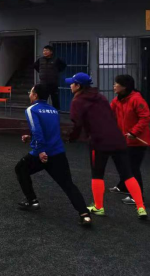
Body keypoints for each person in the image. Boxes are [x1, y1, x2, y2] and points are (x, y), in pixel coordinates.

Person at [67, 72, 147, 219]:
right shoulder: (101, 97)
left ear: (78, 86)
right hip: (117, 138)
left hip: (98, 141)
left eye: (72, 83)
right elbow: (111, 116)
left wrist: (71, 138)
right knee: (128, 173)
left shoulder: (77, 101)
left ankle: (99, 207)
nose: (70, 85)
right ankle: (141, 207)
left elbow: (76, 124)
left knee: (97, 174)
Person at [15, 84, 92, 225]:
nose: (29, 94)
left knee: (20, 168)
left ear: (35, 95)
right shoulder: (54, 111)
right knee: (68, 184)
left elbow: (37, 130)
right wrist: (30, 138)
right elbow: (49, 132)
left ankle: (32, 200)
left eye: (30, 92)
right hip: (58, 152)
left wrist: (41, 151)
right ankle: (84, 214)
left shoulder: (31, 109)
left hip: (41, 153)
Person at [109, 74, 150, 205]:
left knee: (133, 168)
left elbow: (145, 117)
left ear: (124, 87)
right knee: (121, 163)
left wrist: (134, 132)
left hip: (137, 141)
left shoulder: (136, 99)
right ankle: (123, 186)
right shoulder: (117, 100)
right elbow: (108, 113)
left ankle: (137, 196)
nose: (114, 86)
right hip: (124, 140)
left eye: (116, 84)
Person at [34, 45, 66, 110]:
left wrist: (56, 72)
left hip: (53, 83)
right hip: (43, 83)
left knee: (55, 99)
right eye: (44, 51)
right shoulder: (40, 60)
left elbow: (63, 65)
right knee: (43, 99)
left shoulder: (56, 59)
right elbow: (35, 66)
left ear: (51, 52)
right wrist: (41, 72)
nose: (44, 52)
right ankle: (42, 111)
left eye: (46, 50)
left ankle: (56, 112)